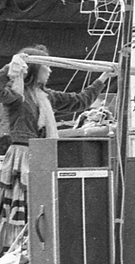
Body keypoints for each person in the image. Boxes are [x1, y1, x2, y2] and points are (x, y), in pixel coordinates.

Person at [0, 45, 113, 248]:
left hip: (42, 155)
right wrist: (10, 67)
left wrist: (104, 77)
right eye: (46, 66)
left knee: (41, 206)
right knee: (23, 209)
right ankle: (17, 252)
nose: (50, 70)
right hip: (23, 157)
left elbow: (80, 101)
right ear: (35, 69)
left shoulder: (47, 96)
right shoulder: (17, 95)